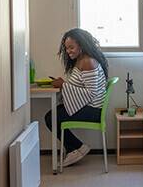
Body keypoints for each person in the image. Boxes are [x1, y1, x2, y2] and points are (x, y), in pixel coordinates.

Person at [44, 28, 108, 167]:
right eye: (67, 48)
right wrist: (63, 84)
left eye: (71, 47)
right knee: (52, 115)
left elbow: (91, 93)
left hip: (93, 111)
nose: (68, 51)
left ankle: (76, 148)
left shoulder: (88, 62)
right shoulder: (81, 60)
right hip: (89, 107)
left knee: (51, 118)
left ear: (81, 45)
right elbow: (82, 87)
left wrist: (63, 85)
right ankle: (75, 148)